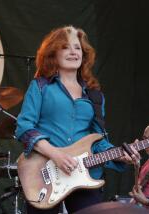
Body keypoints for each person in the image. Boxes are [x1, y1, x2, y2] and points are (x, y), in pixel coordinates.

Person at [15, 25, 140, 213]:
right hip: (44, 173)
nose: (73, 52)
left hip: (85, 176)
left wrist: (121, 155)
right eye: (65, 47)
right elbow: (23, 127)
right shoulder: (40, 86)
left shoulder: (95, 96)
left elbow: (98, 140)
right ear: (53, 54)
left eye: (77, 47)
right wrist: (55, 154)